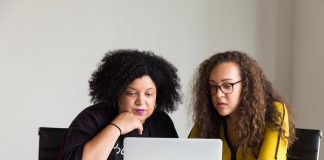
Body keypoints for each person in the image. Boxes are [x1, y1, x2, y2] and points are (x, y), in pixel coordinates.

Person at [60, 49, 182, 160]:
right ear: (117, 92)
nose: (141, 101)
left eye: (148, 94)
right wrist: (117, 126)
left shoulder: (162, 122)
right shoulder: (92, 118)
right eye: (131, 93)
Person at [188, 51, 296, 160]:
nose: (218, 94)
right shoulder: (207, 120)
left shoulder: (274, 112)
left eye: (227, 85)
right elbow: (185, 155)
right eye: (213, 86)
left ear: (246, 86)